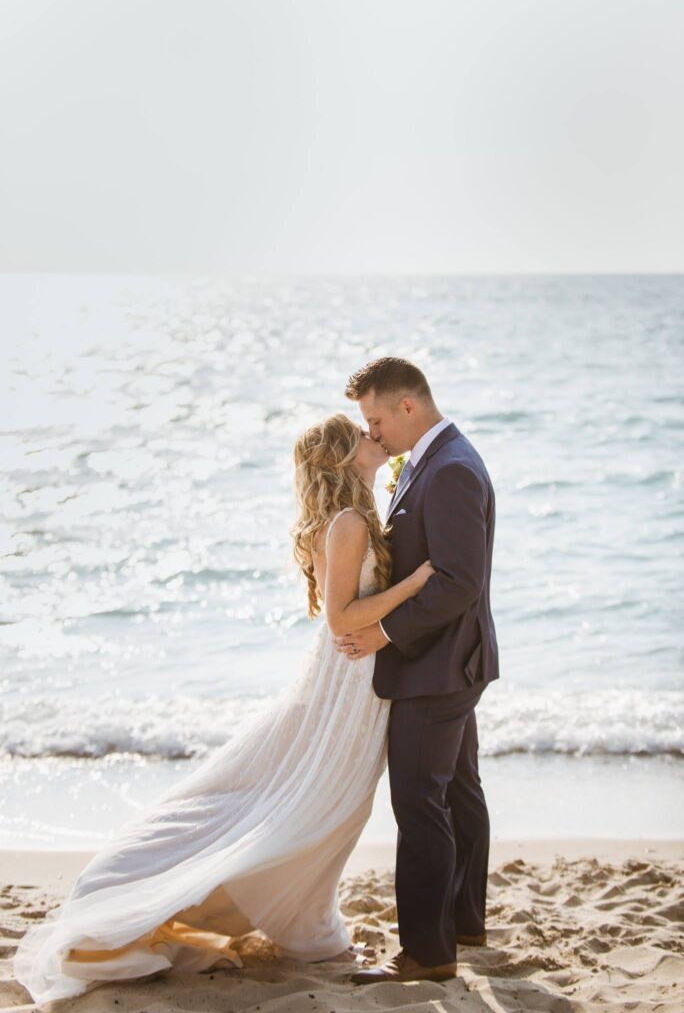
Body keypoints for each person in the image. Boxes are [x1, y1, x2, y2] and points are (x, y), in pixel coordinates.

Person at [13, 411, 435, 1008]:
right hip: (346, 680)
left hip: (354, 679)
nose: (374, 437)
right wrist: (414, 588)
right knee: (318, 810)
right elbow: (342, 619)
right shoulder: (346, 523)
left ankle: (305, 925)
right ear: (343, 456)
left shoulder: (352, 516)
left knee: (328, 810)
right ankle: (202, 914)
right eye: (360, 434)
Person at [333, 357, 499, 985]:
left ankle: (428, 954)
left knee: (418, 800)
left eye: (376, 420)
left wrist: (382, 632)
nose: (372, 433)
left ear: (408, 406)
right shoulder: (437, 459)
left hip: (440, 665)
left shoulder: (450, 469)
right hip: (455, 659)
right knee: (457, 789)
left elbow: (458, 582)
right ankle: (463, 922)